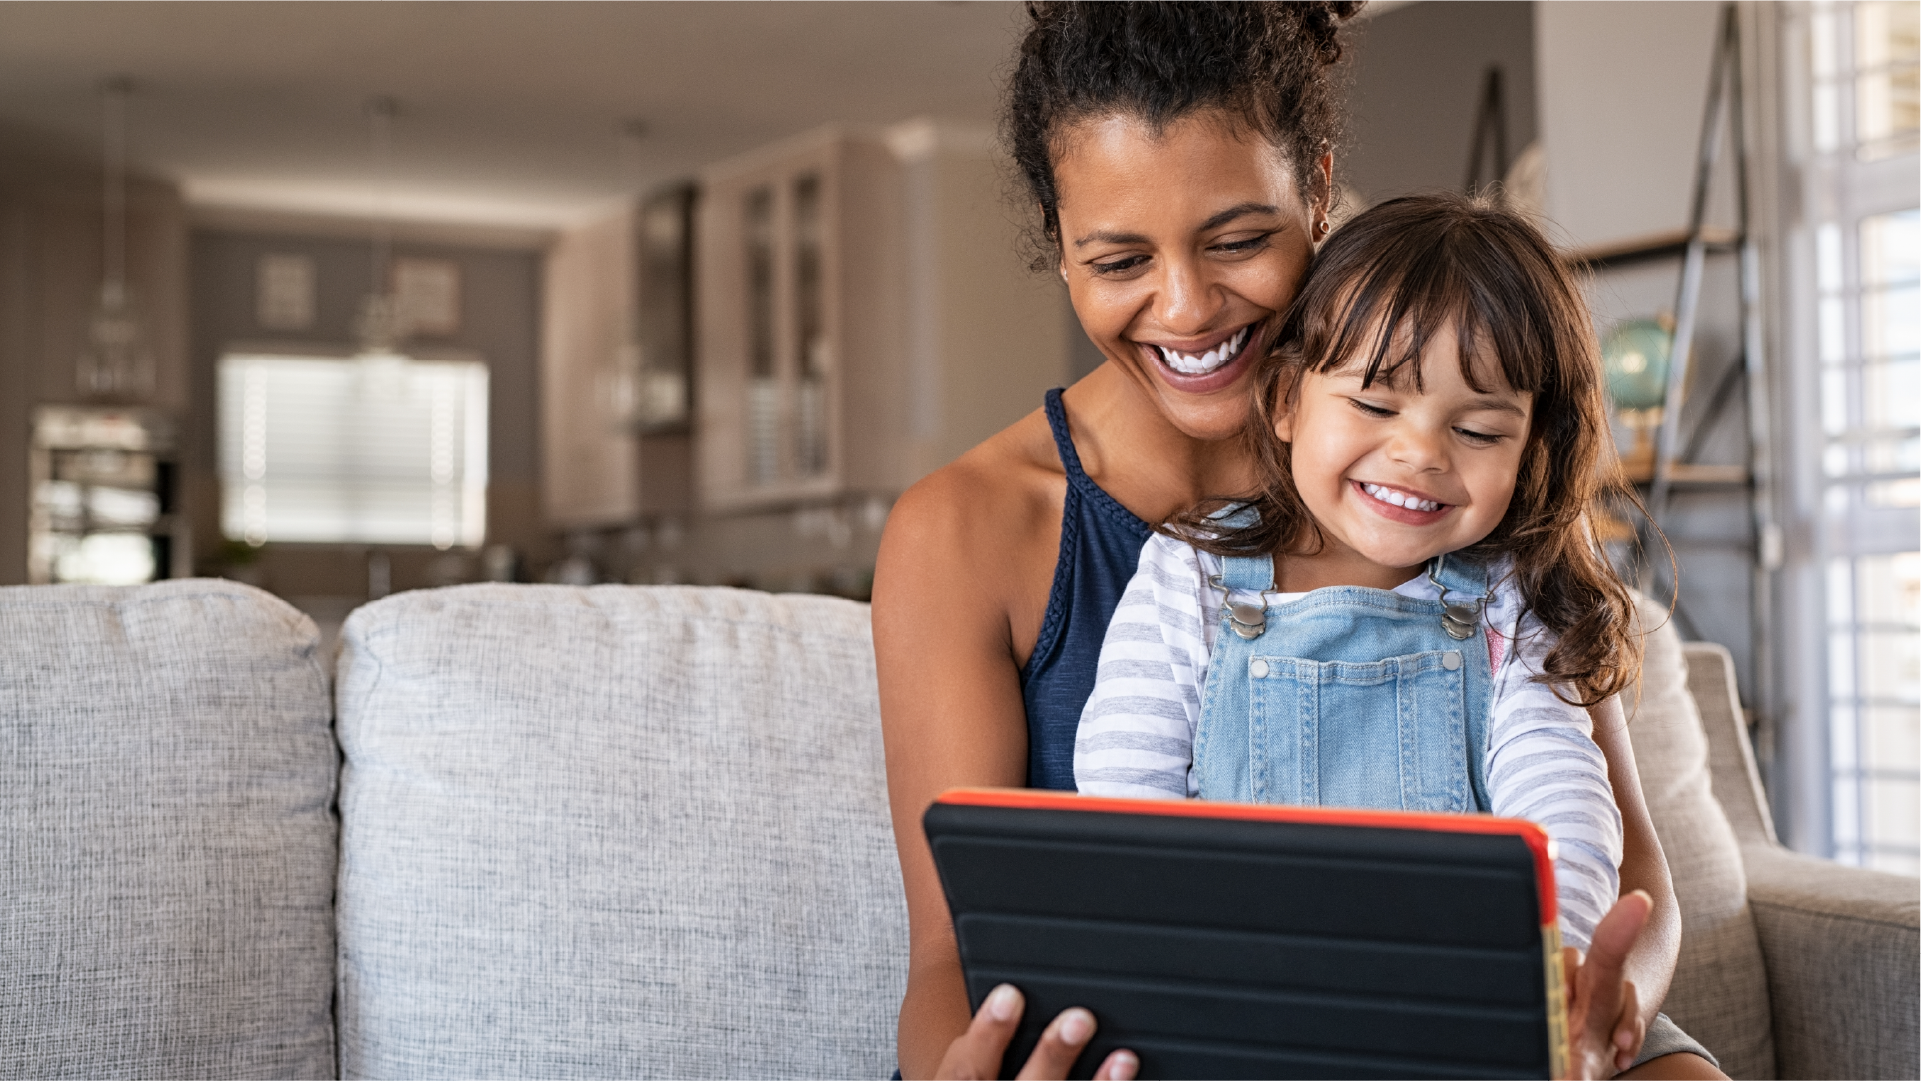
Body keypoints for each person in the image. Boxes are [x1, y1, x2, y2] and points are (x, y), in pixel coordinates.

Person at [873, 2, 1728, 1079]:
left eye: (1237, 239)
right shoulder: (968, 529)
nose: (1185, 307)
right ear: (1059, 245)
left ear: (1316, 190)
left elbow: (1625, 864)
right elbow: (952, 949)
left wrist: (1593, 1010)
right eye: (1117, 257)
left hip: (1504, 1013)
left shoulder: (1458, 495)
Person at [1075, 190, 1668, 1014]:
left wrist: (1554, 971)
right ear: (1286, 401)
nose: (1419, 453)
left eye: (1478, 430)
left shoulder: (1507, 596)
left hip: (1464, 992)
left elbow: (1561, 801)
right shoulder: (1192, 571)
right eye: (1375, 403)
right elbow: (1122, 793)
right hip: (1244, 984)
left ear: (1530, 447)